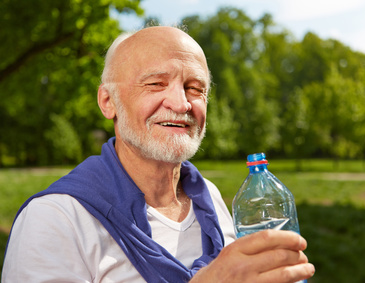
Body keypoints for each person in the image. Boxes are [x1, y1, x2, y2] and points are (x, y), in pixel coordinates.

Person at [2, 26, 315, 282]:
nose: (181, 104)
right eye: (155, 83)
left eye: (195, 88)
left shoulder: (213, 199)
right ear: (108, 102)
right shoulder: (55, 219)